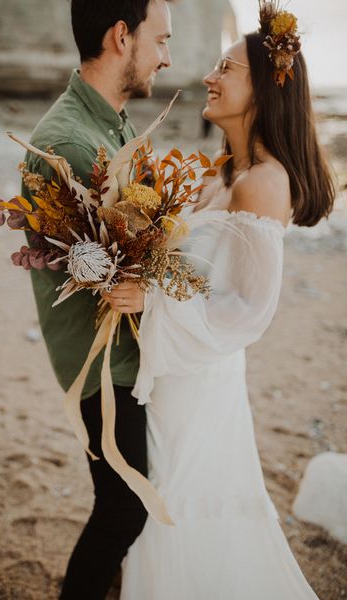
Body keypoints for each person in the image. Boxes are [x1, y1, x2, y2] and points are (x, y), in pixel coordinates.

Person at [102, 3, 335, 598]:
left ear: (263, 88)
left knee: (179, 508)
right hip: (179, 371)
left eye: (225, 68)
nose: (209, 76)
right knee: (160, 508)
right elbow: (200, 278)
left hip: (198, 382)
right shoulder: (219, 173)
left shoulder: (262, 183)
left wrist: (149, 303)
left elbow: (247, 312)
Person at [21, 1, 172, 598]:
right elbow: (107, 274)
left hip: (125, 355)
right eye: (159, 40)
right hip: (102, 364)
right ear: (120, 35)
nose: (166, 56)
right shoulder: (68, 143)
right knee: (122, 510)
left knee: (126, 505)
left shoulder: (110, 121)